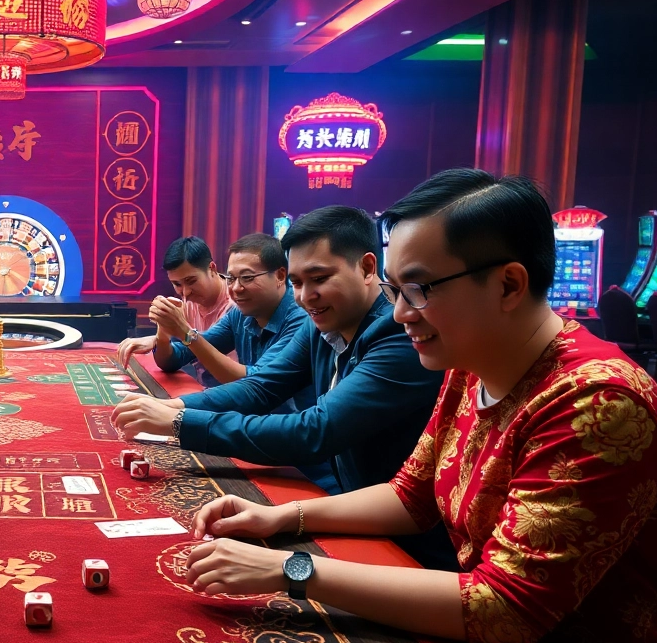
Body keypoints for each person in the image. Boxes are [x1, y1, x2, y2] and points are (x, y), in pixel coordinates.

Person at [179, 169, 657, 643]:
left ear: (508, 284)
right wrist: (280, 519)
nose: (401, 312)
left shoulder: (598, 401)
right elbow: (412, 493)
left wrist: (290, 569)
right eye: (394, 289)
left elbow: (505, 612)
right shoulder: (468, 362)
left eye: (420, 289)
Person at [112, 208, 445, 500]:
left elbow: (315, 432)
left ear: (369, 268)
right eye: (298, 283)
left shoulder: (397, 335)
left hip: (376, 509)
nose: (305, 296)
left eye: (319, 278)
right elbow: (261, 387)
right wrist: (174, 406)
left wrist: (180, 421)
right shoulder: (317, 324)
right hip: (335, 486)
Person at [119, 233, 313, 412]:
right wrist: (163, 330)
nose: (236, 288)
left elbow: (256, 384)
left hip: (287, 432)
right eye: (232, 278)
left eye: (247, 278)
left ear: (280, 276)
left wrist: (186, 333)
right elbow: (177, 357)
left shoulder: (301, 319)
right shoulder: (240, 314)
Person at [128, 237, 233, 387]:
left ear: (212, 269)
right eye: (177, 284)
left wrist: (160, 338)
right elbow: (170, 361)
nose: (185, 292)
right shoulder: (189, 301)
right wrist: (161, 334)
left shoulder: (238, 304)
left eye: (191, 281)